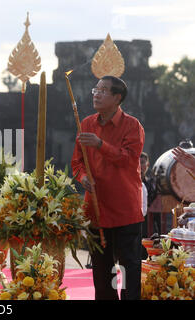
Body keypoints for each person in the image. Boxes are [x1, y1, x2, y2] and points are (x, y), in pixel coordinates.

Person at [71, 75, 144, 300]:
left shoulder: (132, 126)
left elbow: (129, 159)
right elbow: (77, 163)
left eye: (103, 90)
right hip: (96, 208)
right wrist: (83, 178)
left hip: (124, 209)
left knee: (129, 268)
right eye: (96, 89)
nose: (96, 94)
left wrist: (100, 145)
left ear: (117, 97)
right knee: (102, 272)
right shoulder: (86, 123)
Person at [140, 152, 158, 237]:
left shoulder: (151, 183)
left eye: (142, 162)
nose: (140, 166)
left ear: (147, 164)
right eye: (138, 163)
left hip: (149, 219)